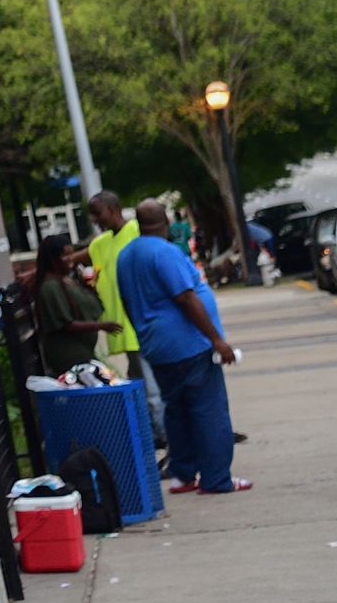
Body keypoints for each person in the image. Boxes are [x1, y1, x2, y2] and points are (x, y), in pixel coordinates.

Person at [116, 199, 249, 494]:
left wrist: (143, 330)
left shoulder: (126, 256)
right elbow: (186, 298)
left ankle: (183, 475)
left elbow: (126, 301)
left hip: (156, 347)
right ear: (165, 220)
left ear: (138, 223)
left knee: (176, 410)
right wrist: (216, 339)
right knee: (209, 411)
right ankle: (216, 479)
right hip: (189, 345)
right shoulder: (164, 252)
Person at [78, 192, 168, 444]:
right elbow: (80, 258)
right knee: (140, 387)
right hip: (122, 330)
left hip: (142, 326)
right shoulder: (100, 244)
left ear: (113, 208)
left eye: (98, 212)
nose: (95, 219)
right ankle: (156, 437)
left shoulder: (136, 233)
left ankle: (169, 441)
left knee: (152, 391)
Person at [32, 234, 117, 373]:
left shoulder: (67, 279)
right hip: (71, 354)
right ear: (53, 259)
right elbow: (66, 324)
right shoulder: (50, 286)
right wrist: (101, 326)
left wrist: (89, 286)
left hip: (84, 350)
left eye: (71, 254)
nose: (71, 259)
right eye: (65, 256)